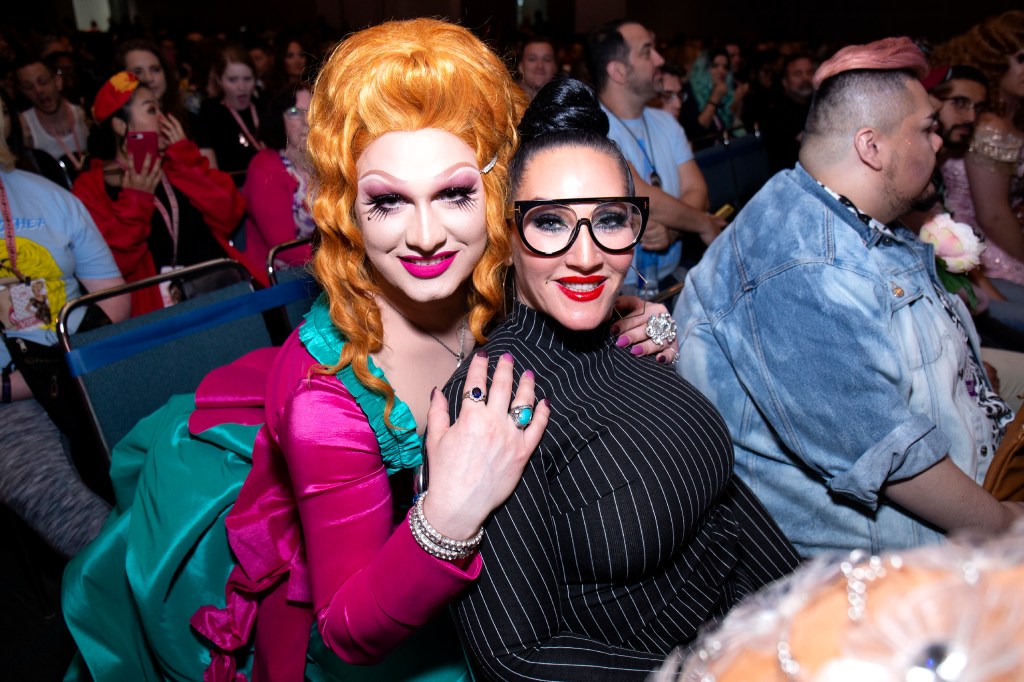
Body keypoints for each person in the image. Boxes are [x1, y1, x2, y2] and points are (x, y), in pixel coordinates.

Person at [62, 20, 675, 682]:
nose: (426, 236)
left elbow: (571, 319)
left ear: (496, 192)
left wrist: (631, 322)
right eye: (388, 202)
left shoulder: (501, 273)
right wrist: (450, 510)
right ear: (349, 210)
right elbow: (348, 630)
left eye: (454, 193)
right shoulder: (327, 396)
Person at [445, 76, 799, 681]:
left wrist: (808, 614)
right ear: (507, 232)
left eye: (610, 219)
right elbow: (515, 657)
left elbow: (727, 509)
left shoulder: (635, 336)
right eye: (551, 223)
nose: (587, 256)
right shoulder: (492, 402)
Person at [674, 37, 1022, 559]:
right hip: (895, 570)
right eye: (927, 128)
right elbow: (887, 454)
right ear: (871, 146)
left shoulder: (846, 219)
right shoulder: (802, 263)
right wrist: (1006, 528)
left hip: (975, 485)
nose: (940, 144)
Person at [0, 107, 128, 557]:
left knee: (158, 463)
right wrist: (15, 385)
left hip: (75, 363)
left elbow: (111, 295)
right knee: (75, 515)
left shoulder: (47, 197)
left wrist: (77, 362)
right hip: (7, 397)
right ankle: (120, 587)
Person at [72, 72, 255, 317]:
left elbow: (229, 211)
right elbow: (113, 263)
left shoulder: (176, 163)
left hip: (217, 292)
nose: (163, 118)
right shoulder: (92, 186)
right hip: (155, 312)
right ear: (119, 125)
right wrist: (136, 198)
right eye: (151, 110)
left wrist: (186, 159)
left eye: (161, 108)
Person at [586, 19, 724, 298]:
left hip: (669, 279)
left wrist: (672, 232)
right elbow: (642, 197)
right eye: (647, 52)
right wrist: (703, 223)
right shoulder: (591, 128)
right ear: (619, 71)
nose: (660, 60)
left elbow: (697, 190)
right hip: (618, 291)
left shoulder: (666, 122)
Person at [940, 13, 1024, 294]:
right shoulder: (991, 126)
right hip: (987, 253)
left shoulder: (1000, 121)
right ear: (994, 61)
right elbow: (994, 217)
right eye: (1020, 60)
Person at [240, 84, 314, 270]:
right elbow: (284, 248)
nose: (307, 121)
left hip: (328, 268)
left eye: (313, 110)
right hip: (284, 278)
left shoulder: (329, 160)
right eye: (295, 112)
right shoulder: (265, 167)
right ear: (278, 120)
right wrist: (346, 258)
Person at [195, 45, 262, 182]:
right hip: (232, 190)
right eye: (232, 80)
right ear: (220, 80)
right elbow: (210, 171)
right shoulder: (209, 112)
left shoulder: (266, 105)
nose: (241, 87)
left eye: (247, 79)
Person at [14, 56, 89, 177]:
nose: (38, 90)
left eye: (43, 82)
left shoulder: (84, 115)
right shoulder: (23, 126)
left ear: (58, 82)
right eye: (28, 87)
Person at [680, 47, 747, 148]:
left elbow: (729, 124)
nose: (721, 71)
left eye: (725, 67)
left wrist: (736, 101)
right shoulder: (689, 90)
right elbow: (698, 131)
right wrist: (715, 98)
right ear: (704, 67)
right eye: (715, 66)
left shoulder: (723, 90)